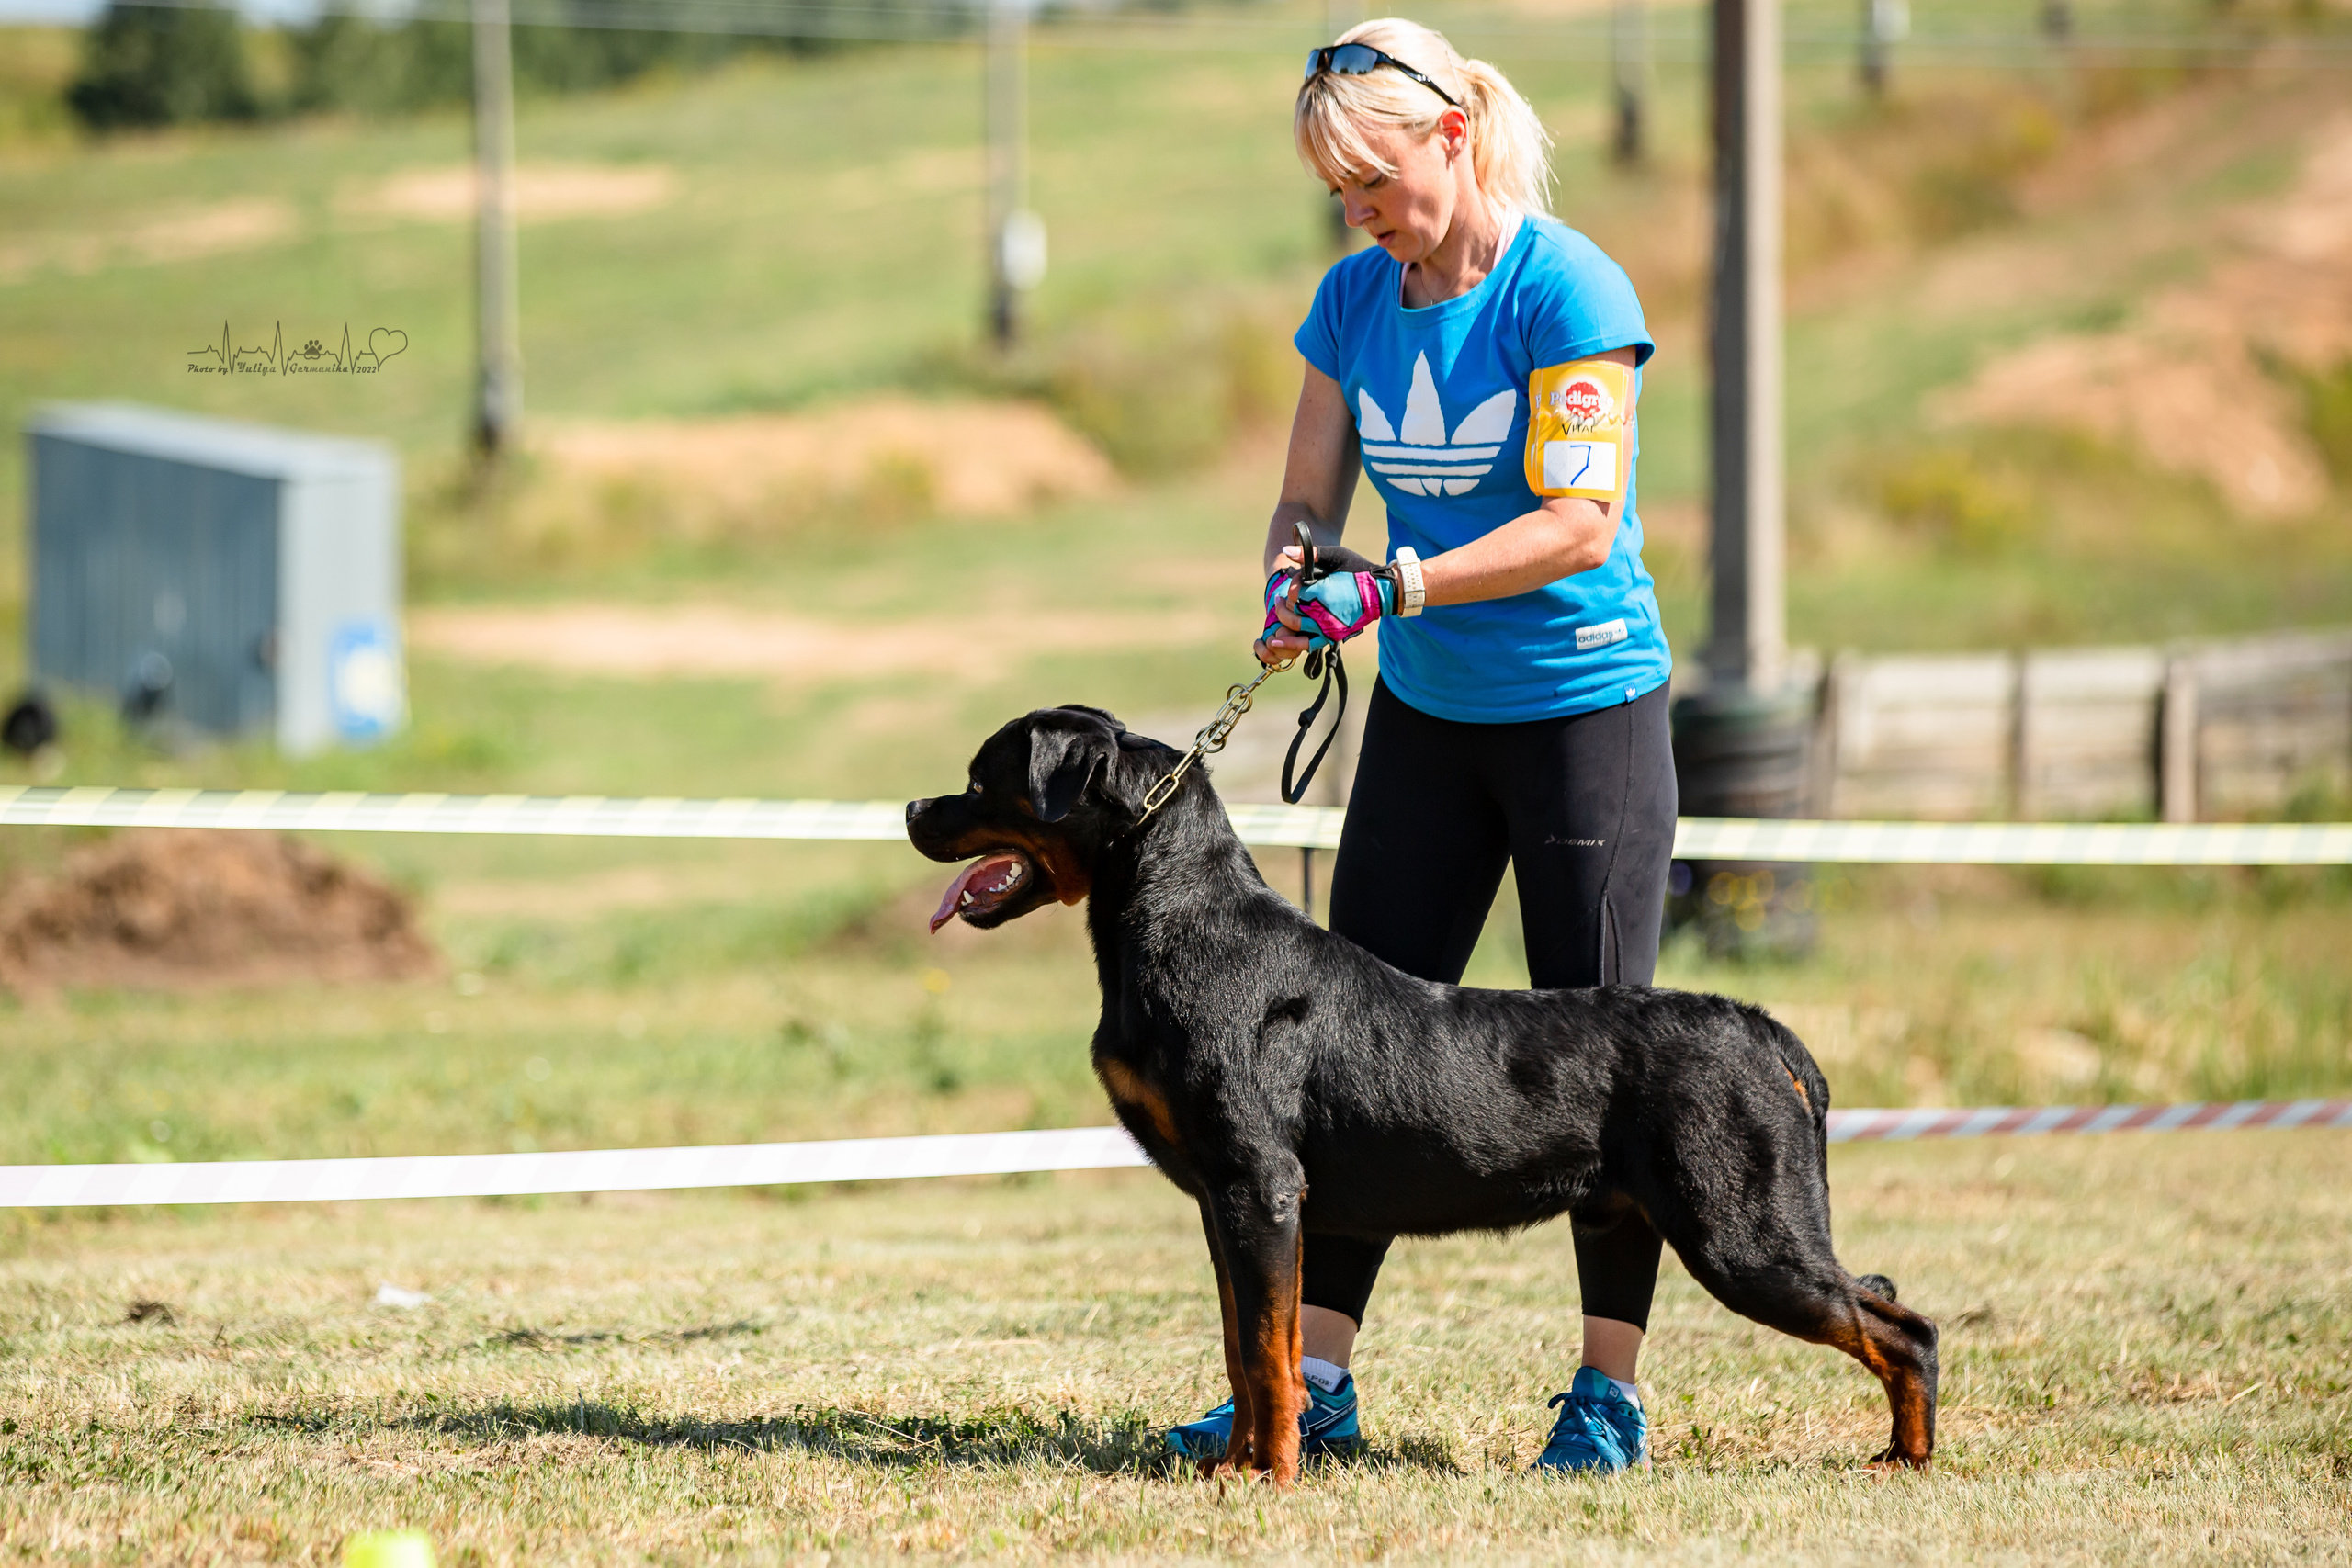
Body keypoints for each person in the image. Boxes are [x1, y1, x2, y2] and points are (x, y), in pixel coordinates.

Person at [1164, 17, 1677, 1474]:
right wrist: (1292, 578)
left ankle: (1607, 1395)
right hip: (1428, 721)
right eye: (1339, 189)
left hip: (1587, 713)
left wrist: (1399, 582)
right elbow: (1303, 503)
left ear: (1452, 133)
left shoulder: (1568, 287)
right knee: (1343, 1058)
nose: (1358, 211)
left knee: (1605, 1062)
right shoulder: (1350, 302)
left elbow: (1581, 522)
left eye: (1373, 177)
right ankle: (1313, 1381)